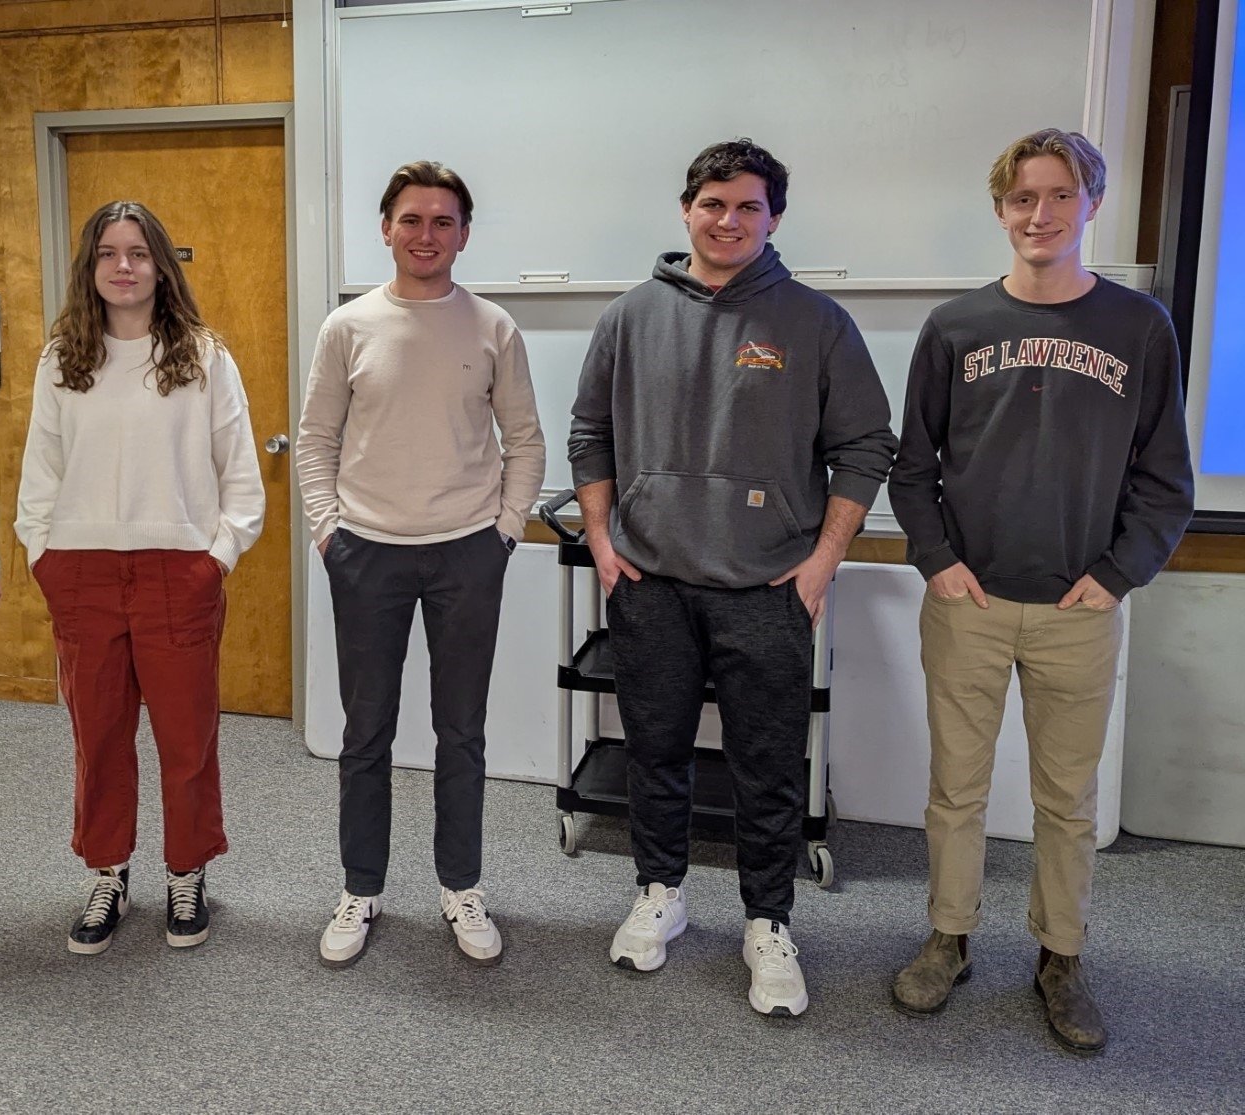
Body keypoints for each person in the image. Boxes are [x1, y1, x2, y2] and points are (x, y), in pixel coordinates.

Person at [568, 139, 896, 1016]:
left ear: (774, 218)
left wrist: (822, 563)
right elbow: (589, 434)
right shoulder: (630, 316)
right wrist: (602, 540)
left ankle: (768, 921)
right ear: (687, 210)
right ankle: (660, 891)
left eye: (749, 206)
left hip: (768, 588)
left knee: (767, 765)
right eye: (713, 203)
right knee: (656, 751)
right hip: (652, 583)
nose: (729, 220)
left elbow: (867, 445)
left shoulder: (816, 322)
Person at [887, 129, 1193, 1054]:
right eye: (1023, 197)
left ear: (1092, 203)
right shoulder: (955, 326)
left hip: (1077, 610)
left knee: (1067, 798)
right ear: (1000, 209)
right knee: (956, 789)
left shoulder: (1140, 327)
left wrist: (1117, 574)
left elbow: (1165, 479)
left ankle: (1061, 955)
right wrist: (937, 559)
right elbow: (913, 467)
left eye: (1061, 195)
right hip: (968, 604)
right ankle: (949, 936)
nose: (1041, 213)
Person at [295, 160, 545, 969]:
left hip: (467, 552)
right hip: (367, 553)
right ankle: (360, 887)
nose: (426, 234)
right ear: (386, 229)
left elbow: (526, 440)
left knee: (460, 731)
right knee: (366, 731)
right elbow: (315, 440)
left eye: (443, 221)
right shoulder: (348, 327)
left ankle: (461, 885)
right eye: (411, 219)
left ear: (464, 234)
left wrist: (504, 532)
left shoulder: (493, 327)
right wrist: (329, 533)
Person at [16, 201, 265, 956]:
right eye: (107, 253)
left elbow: (240, 472)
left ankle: (186, 871)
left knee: (187, 739)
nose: (122, 267)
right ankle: (109, 872)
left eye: (137, 253)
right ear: (89, 267)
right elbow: (41, 471)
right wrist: (42, 554)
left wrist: (216, 557)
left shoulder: (203, 356)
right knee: (99, 736)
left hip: (176, 571)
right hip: (82, 571)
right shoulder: (62, 359)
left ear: (160, 265)